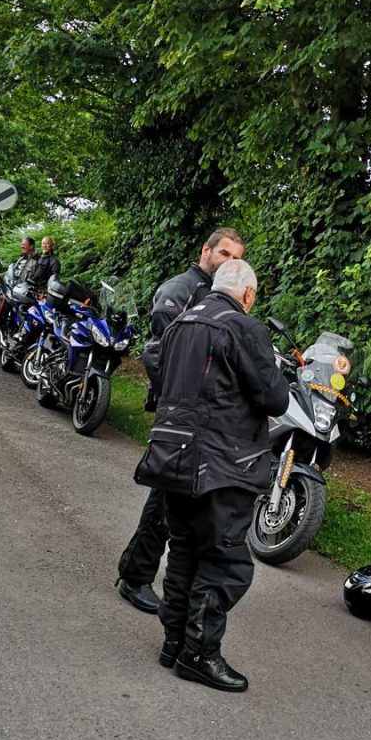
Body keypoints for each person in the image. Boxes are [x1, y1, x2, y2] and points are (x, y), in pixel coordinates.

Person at [134, 259, 288, 692]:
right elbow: (273, 398)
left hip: (172, 456)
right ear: (248, 295)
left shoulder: (181, 321)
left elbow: (157, 369)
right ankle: (200, 654)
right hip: (223, 463)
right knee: (223, 562)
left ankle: (175, 644)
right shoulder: (243, 327)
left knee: (184, 551)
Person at [115, 228, 246, 614]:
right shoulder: (180, 289)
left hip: (202, 420)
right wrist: (181, 404)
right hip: (179, 419)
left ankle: (139, 572)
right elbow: (157, 354)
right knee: (166, 500)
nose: (229, 261)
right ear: (205, 250)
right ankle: (136, 576)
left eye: (236, 257)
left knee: (173, 499)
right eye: (224, 253)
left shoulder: (224, 297)